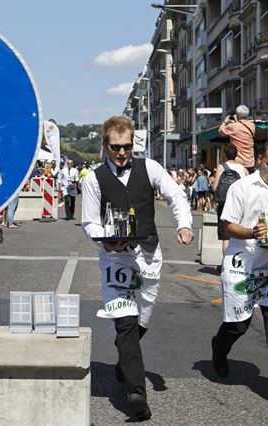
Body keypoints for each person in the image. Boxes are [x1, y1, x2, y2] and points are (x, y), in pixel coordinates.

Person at [81, 115, 194, 421]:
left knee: (141, 320)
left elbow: (176, 196)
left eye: (127, 146)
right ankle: (136, 394)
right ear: (105, 145)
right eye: (116, 147)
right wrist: (105, 243)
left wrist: (183, 224)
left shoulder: (151, 168)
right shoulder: (93, 179)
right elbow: (89, 222)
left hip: (148, 256)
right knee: (125, 321)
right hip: (116, 259)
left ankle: (124, 364)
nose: (122, 152)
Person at [210, 141, 268, 407]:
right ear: (260, 160)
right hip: (242, 260)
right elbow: (228, 225)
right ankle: (219, 347)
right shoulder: (241, 187)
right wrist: (253, 232)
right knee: (238, 325)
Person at [212, 144, 247, 254]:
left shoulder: (221, 167)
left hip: (224, 204)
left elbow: (215, 187)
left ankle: (225, 265)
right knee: (238, 234)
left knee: (225, 237)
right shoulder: (243, 168)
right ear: (236, 154)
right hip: (239, 205)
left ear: (225, 154)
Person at [217, 105, 256, 170]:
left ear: (237, 115)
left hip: (238, 162)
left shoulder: (233, 126)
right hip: (250, 162)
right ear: (247, 115)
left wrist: (225, 121)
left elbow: (221, 131)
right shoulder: (252, 126)